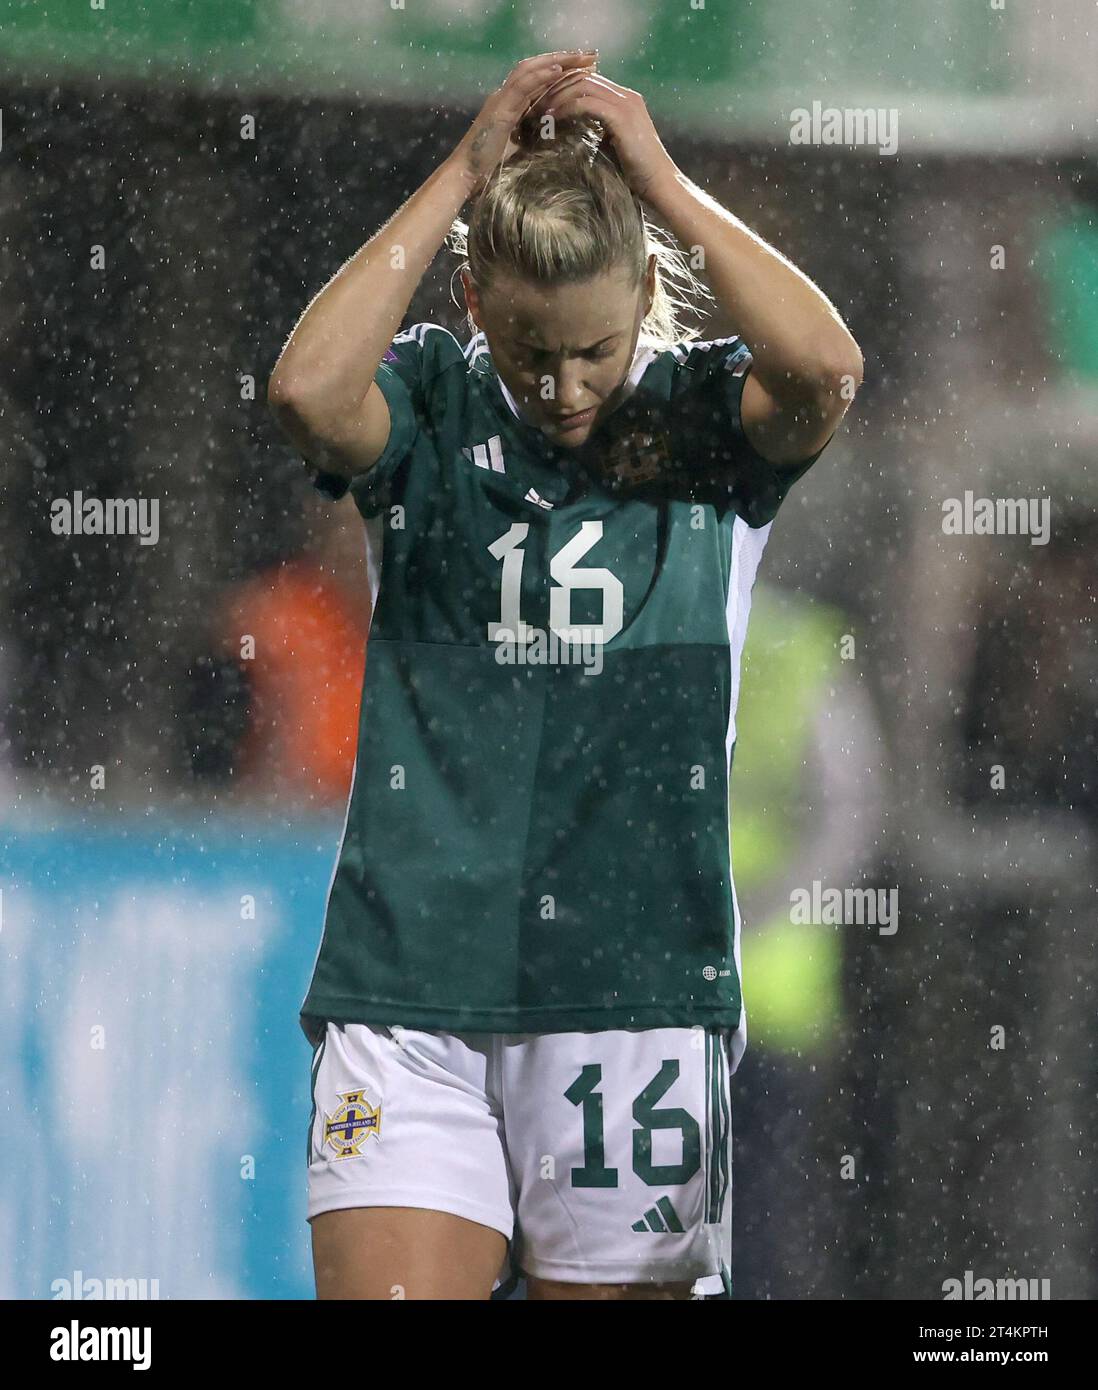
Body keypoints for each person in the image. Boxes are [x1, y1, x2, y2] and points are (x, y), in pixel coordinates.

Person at [268, 49, 862, 1300]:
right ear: (475, 304)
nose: (566, 386)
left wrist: (661, 177)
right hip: (412, 980)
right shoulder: (428, 406)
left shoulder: (706, 427)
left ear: (649, 292)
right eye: (533, 350)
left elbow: (826, 368)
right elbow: (309, 391)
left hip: (631, 986)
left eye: (596, 348)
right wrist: (465, 168)